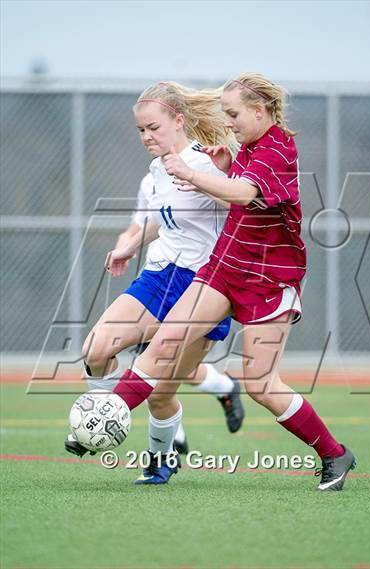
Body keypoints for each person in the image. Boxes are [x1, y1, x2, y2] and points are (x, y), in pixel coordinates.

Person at [113, 73, 356, 491]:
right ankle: (107, 414)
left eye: (234, 114)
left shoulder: (278, 147)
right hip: (224, 269)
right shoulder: (249, 147)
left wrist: (192, 172)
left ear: (260, 111)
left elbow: (244, 194)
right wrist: (225, 166)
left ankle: (334, 453)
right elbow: (239, 191)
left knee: (262, 384)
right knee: (165, 341)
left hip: (267, 279)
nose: (228, 123)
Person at [64, 81, 245, 466]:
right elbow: (157, 220)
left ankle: (162, 462)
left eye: (154, 128)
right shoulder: (155, 170)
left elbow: (238, 201)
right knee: (95, 350)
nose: (146, 136)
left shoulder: (204, 162)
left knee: (161, 394)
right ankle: (102, 419)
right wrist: (128, 245)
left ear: (179, 121)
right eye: (141, 130)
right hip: (159, 275)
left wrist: (202, 177)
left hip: (202, 286)